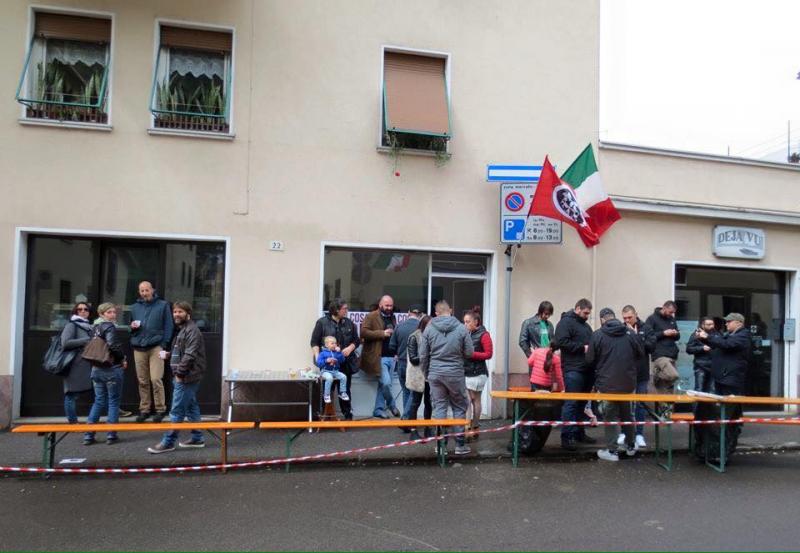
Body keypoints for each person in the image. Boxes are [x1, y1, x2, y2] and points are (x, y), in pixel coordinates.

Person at [148, 302, 207, 454]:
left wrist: (180, 374)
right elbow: (183, 352)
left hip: (186, 377)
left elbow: (190, 355)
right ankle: (197, 437)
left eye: (180, 311)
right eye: (174, 312)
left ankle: (168, 442)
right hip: (182, 375)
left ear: (188, 313)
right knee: (191, 408)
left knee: (177, 410)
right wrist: (169, 355)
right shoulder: (183, 330)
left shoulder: (192, 331)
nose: (176, 314)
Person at [587, 308, 644, 461]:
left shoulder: (598, 335)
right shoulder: (630, 333)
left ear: (602, 319)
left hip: (606, 386)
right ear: (615, 318)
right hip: (628, 385)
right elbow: (640, 354)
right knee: (628, 416)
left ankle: (612, 452)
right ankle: (631, 446)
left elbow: (589, 360)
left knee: (610, 418)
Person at [419, 300, 474, 455]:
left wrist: (427, 373)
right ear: (451, 310)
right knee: (459, 406)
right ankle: (460, 445)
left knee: (439, 408)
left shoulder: (429, 329)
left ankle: (441, 446)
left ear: (436, 313)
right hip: (456, 373)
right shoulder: (461, 328)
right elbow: (470, 352)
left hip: (435, 374)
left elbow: (423, 355)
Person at [554, 298, 596, 451]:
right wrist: (582, 348)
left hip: (587, 369)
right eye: (585, 313)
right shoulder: (565, 323)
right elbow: (561, 342)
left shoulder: (585, 326)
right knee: (571, 403)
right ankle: (566, 437)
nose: (587, 316)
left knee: (582, 404)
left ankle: (579, 432)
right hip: (573, 369)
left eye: (588, 314)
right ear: (578, 308)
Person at [130, 281, 174, 423]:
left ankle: (160, 409)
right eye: (141, 290)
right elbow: (130, 327)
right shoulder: (135, 307)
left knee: (156, 379)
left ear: (152, 290)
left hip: (156, 346)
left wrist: (163, 344)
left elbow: (169, 326)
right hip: (138, 347)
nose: (144, 293)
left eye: (146, 290)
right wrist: (132, 327)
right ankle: (145, 410)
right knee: (142, 380)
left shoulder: (163, 305)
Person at [83, 303, 126, 445]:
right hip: (111, 368)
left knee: (99, 401)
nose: (113, 315)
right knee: (113, 402)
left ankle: (89, 435)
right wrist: (122, 358)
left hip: (96, 369)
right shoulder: (109, 326)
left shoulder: (93, 327)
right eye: (109, 312)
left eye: (114, 312)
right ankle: (111, 435)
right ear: (102, 314)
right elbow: (113, 345)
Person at [310, 298, 359, 420]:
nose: (347, 311)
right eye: (344, 309)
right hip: (328, 364)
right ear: (336, 310)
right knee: (327, 389)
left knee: (345, 389)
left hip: (344, 362)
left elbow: (356, 340)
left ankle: (347, 415)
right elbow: (314, 342)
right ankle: (324, 416)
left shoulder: (349, 323)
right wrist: (318, 358)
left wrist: (350, 348)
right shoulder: (322, 323)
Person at [620, 305, 656, 449]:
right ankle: (625, 432)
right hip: (625, 373)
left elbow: (651, 347)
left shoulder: (646, 328)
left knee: (640, 404)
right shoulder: (621, 329)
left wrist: (635, 337)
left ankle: (639, 434)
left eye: (630, 317)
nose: (627, 320)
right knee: (625, 405)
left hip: (641, 373)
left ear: (636, 314)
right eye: (625, 318)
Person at [361, 295, 399, 419]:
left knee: (383, 385)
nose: (389, 308)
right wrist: (382, 333)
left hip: (392, 357)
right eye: (386, 305)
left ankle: (378, 410)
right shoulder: (371, 316)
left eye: (391, 305)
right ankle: (392, 405)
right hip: (379, 357)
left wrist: (397, 353)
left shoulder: (392, 317)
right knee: (386, 384)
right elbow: (363, 333)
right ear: (380, 305)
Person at [697, 313, 751, 396]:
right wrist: (703, 339)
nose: (726, 324)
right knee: (723, 405)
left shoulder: (743, 335)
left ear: (738, 323)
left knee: (731, 405)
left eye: (729, 321)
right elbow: (718, 343)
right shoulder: (729, 334)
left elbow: (727, 344)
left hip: (730, 378)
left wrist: (708, 337)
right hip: (722, 377)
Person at [59, 302, 94, 423]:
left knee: (97, 392)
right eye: (79, 309)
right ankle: (73, 423)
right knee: (71, 395)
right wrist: (86, 340)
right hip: (74, 364)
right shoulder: (72, 325)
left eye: (86, 309)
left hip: (86, 364)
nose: (83, 311)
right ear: (75, 311)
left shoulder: (89, 326)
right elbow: (65, 343)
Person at [390, 304, 424, 425]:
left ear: (408, 312)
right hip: (415, 365)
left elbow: (391, 346)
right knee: (413, 392)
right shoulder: (421, 329)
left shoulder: (399, 327)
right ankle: (406, 419)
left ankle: (406, 420)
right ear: (420, 314)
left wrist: (397, 352)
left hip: (402, 362)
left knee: (406, 391)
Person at [463, 307, 493, 439]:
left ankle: (473, 426)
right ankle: (470, 427)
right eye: (464, 322)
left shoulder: (484, 334)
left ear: (476, 322)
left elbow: (488, 354)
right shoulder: (466, 334)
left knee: (473, 400)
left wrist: (472, 354)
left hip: (478, 373)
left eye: (467, 322)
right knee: (469, 400)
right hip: (466, 371)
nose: (465, 324)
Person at [406, 315, 433, 441]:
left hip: (429, 376)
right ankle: (413, 431)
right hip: (417, 376)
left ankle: (428, 428)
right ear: (424, 325)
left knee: (429, 403)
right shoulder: (414, 337)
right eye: (430, 325)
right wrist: (428, 356)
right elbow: (413, 359)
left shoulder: (433, 336)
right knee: (415, 403)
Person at [645, 300, 681, 393]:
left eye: (673, 313)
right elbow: (648, 336)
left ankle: (665, 405)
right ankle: (657, 376)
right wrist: (664, 333)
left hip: (672, 354)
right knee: (674, 375)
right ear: (664, 308)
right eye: (670, 312)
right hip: (659, 354)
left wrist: (675, 333)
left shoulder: (672, 319)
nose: (671, 314)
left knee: (668, 384)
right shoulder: (652, 319)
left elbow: (678, 337)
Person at [686, 316, 718, 393]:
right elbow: (689, 349)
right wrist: (701, 348)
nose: (711, 326)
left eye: (712, 324)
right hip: (701, 366)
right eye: (708, 324)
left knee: (712, 390)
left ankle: (708, 405)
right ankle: (698, 405)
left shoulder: (716, 334)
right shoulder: (696, 334)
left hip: (714, 366)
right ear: (702, 325)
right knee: (699, 390)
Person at [518, 301, 555, 366]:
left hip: (548, 359)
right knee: (535, 376)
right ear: (540, 311)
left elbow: (552, 340)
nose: (547, 316)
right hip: (536, 359)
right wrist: (532, 355)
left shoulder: (550, 325)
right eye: (546, 314)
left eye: (549, 314)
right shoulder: (528, 323)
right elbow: (522, 341)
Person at [315, 336, 350, 404]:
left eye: (335, 343)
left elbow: (342, 360)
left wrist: (340, 353)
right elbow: (319, 363)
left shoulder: (336, 353)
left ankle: (342, 393)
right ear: (326, 345)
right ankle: (326, 394)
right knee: (329, 378)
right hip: (325, 371)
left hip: (335, 371)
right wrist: (326, 361)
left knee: (344, 377)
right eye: (332, 343)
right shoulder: (323, 353)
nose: (334, 345)